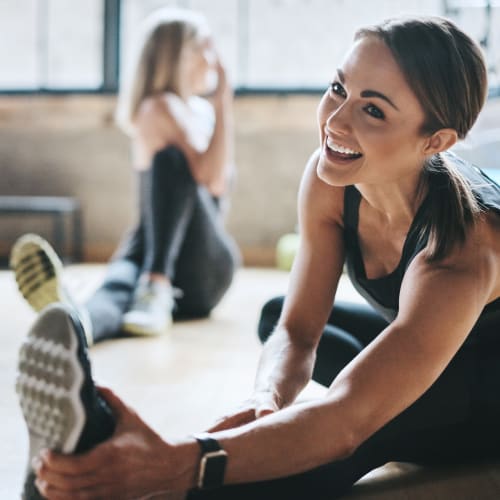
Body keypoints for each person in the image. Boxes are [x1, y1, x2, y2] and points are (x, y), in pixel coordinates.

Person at [20, 15, 500, 500]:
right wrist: (265, 398)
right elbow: (297, 329)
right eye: (339, 88)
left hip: (489, 394)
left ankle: (110, 479)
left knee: (351, 430)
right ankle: (96, 468)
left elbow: (344, 420)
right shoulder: (332, 179)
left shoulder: (460, 255)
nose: (335, 121)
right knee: (277, 323)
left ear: (435, 141)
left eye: (373, 111)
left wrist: (179, 461)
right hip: (438, 342)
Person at [10, 7, 240, 343]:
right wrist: (223, 100)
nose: (213, 55)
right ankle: (76, 325)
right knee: (116, 289)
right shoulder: (158, 106)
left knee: (170, 163)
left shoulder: (202, 112)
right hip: (149, 254)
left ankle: (155, 285)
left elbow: (215, 183)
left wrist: (221, 103)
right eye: (205, 45)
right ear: (180, 54)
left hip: (201, 266)